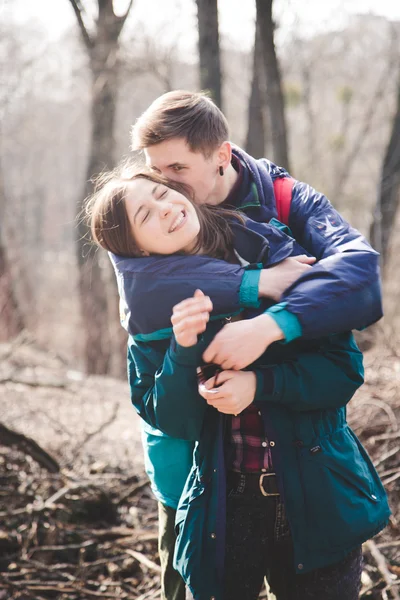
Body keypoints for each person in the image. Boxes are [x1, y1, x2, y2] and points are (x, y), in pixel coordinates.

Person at [111, 89, 383, 600]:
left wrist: (268, 328)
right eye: (153, 169)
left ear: (221, 156)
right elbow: (144, 295)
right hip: (196, 475)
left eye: (174, 169)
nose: (161, 184)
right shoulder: (142, 217)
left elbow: (359, 277)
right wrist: (256, 285)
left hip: (305, 470)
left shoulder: (281, 216)